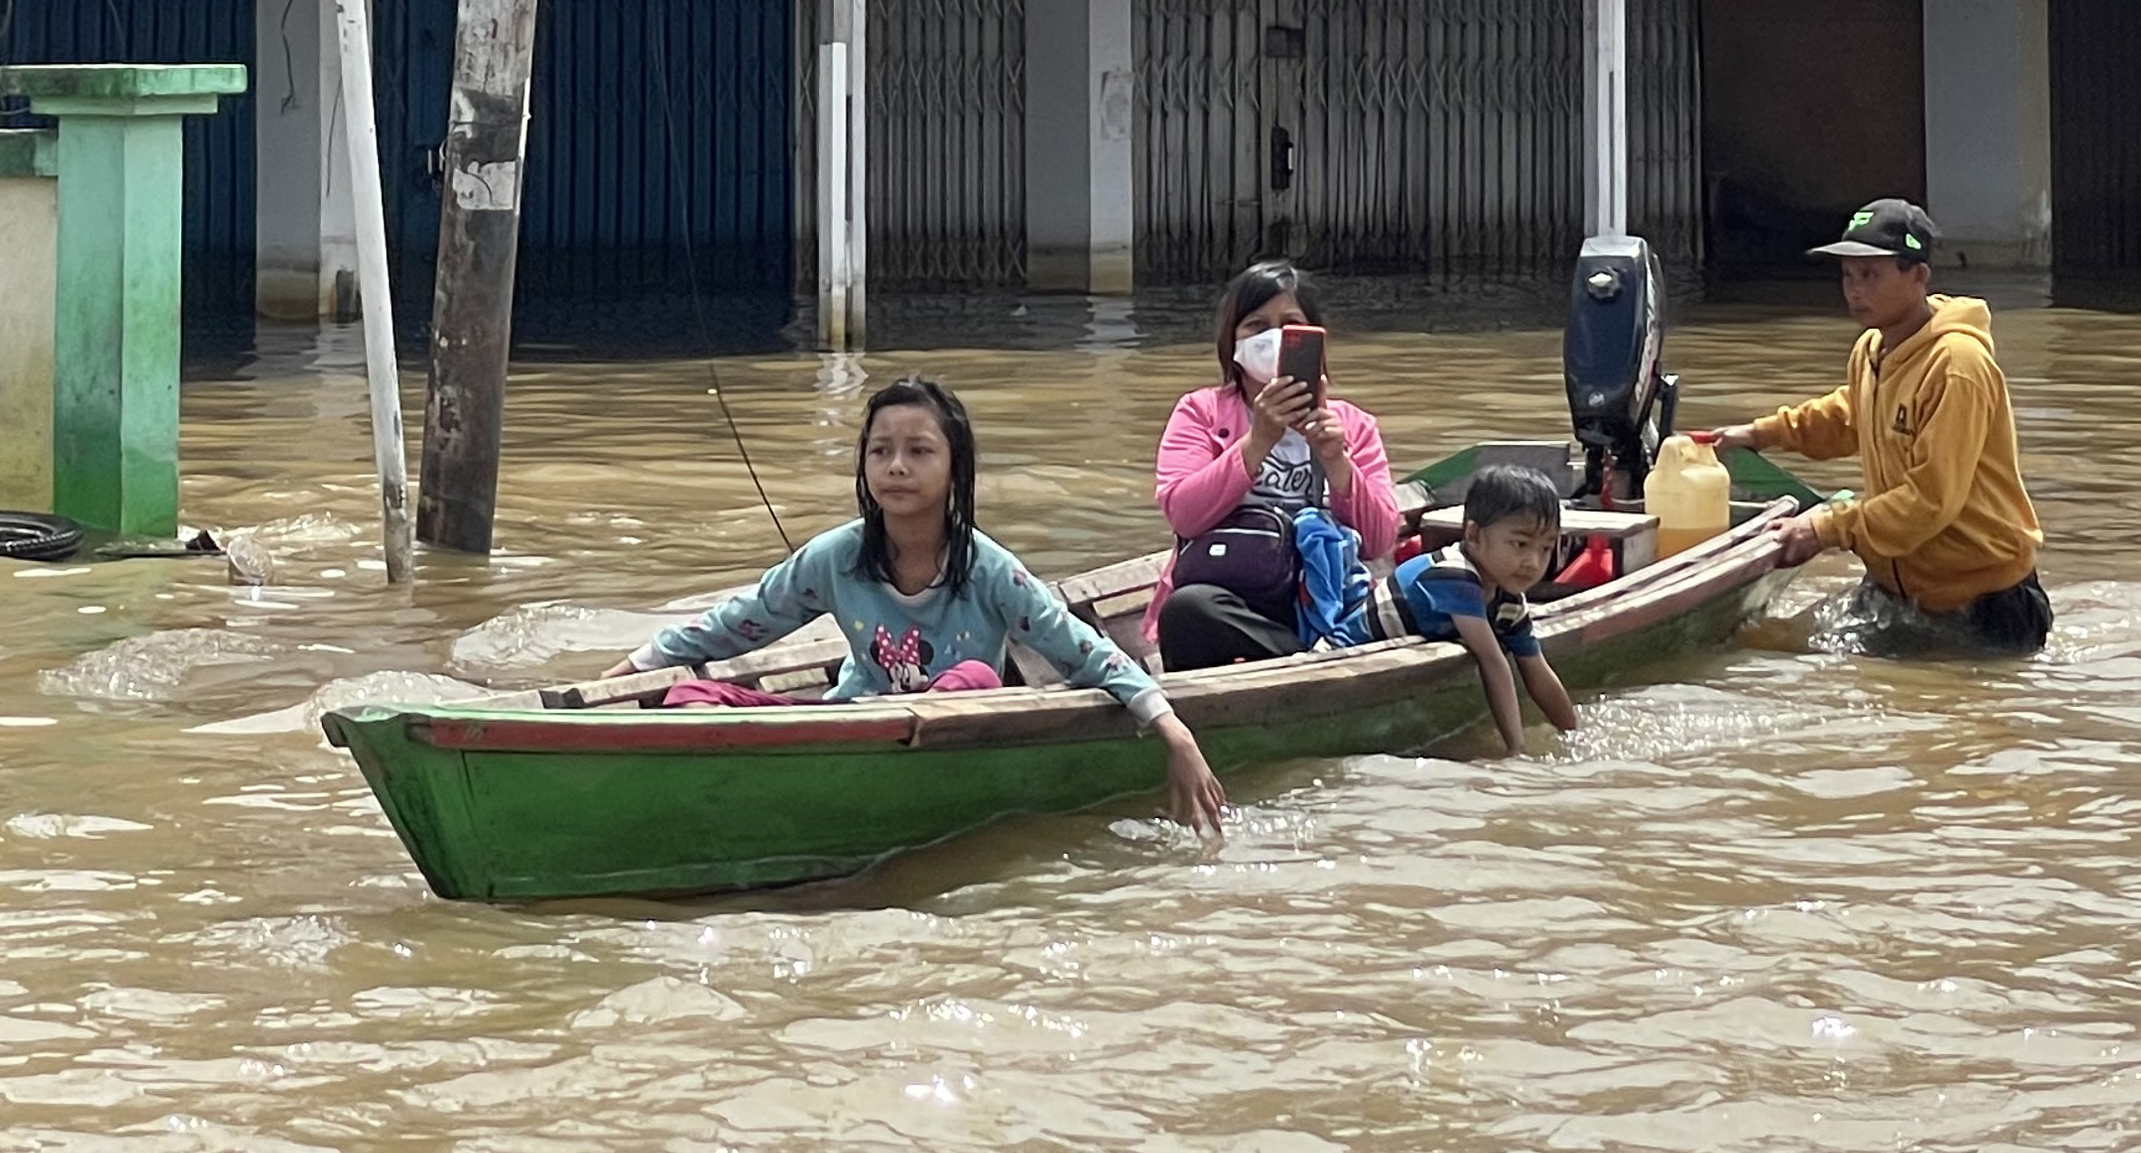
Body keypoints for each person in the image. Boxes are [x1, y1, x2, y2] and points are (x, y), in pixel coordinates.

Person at [611, 377, 1228, 832]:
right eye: (880, 452)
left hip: (948, 737)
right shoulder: (836, 558)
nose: (896, 468)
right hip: (853, 724)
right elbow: (739, 622)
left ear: (954, 467)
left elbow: (1078, 648)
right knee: (689, 697)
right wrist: (630, 672)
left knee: (977, 676)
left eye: (919, 451)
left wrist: (1172, 731)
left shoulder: (986, 568)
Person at [1701, 199, 2051, 655]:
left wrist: (1824, 528)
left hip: (1983, 605)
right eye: (1848, 275)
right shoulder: (1873, 349)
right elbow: (1849, 414)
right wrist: (1761, 433)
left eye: (1871, 275)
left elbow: (1930, 501)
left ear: (1919, 276)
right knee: (1765, 645)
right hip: (1899, 591)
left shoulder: (1957, 366)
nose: (1855, 291)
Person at [1151, 261, 1405, 670]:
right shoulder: (1200, 412)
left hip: (1327, 599)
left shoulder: (1353, 425)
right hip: (1234, 594)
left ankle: (1317, 655)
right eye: (1256, 325)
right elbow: (1183, 515)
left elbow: (1378, 540)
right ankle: (1314, 662)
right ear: (1232, 340)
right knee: (1188, 611)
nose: (1273, 338)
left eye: (1291, 325)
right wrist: (1258, 442)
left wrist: (1336, 461)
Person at [1382, 464, 1579, 754]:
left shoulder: (1508, 599)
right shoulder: (1452, 574)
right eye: (1520, 544)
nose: (1533, 563)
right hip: (1344, 653)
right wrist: (1517, 751)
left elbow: (1536, 669)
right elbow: (1493, 662)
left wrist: (1573, 737)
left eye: (1546, 548)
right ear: (1473, 535)